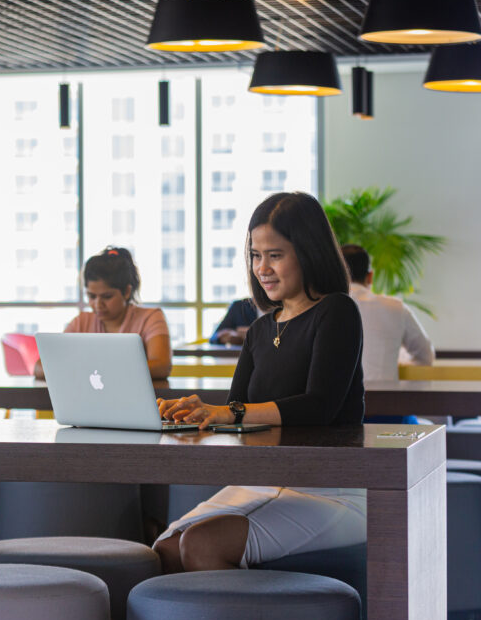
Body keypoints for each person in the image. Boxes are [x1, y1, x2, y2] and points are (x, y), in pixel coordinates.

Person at [153, 192, 365, 574]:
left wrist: (228, 412)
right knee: (166, 548)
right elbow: (233, 414)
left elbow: (319, 407)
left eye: (275, 255)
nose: (261, 268)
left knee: (201, 544)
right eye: (255, 255)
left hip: (330, 489)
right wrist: (187, 416)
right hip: (266, 482)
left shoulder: (336, 311)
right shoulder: (260, 329)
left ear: (309, 252)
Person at [34, 246, 172, 380]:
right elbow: (39, 367)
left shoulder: (150, 318)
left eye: (107, 297)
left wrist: (89, 370)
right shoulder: (81, 322)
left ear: (126, 292)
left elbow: (162, 365)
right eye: (92, 296)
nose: (97, 304)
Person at [341, 244, 434, 382]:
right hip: (387, 399)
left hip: (339, 402)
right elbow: (425, 356)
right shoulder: (396, 308)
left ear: (337, 275)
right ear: (370, 276)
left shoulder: (322, 308)